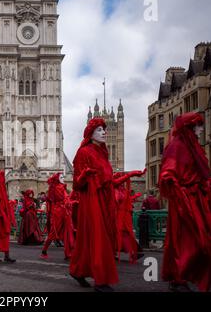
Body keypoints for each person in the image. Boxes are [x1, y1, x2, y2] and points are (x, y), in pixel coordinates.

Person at [159, 112, 211, 292]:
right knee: (189, 240)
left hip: (198, 200)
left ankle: (181, 276)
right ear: (190, 127)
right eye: (198, 125)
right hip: (184, 201)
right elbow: (167, 173)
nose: (201, 129)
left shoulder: (195, 147)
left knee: (201, 240)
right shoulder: (177, 146)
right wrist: (180, 192)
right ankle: (179, 276)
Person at [69, 118, 119, 292]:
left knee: (89, 238)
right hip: (92, 200)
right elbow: (76, 183)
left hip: (105, 199)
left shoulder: (102, 153)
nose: (104, 132)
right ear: (90, 134)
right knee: (99, 237)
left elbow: (108, 178)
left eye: (104, 130)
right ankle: (101, 279)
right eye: (99, 130)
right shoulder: (84, 152)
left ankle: (78, 270)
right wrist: (85, 176)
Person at [113, 170, 146, 263]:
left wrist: (135, 196)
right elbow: (117, 200)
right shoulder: (114, 188)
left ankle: (133, 251)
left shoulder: (121, 190)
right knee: (120, 233)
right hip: (117, 215)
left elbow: (125, 200)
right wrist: (130, 174)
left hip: (122, 216)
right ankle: (130, 251)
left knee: (125, 233)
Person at [40, 173, 75, 260]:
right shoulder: (57, 187)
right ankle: (44, 250)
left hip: (64, 210)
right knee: (54, 231)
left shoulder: (61, 187)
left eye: (63, 177)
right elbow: (63, 199)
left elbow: (66, 199)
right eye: (61, 177)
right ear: (57, 179)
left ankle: (69, 253)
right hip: (58, 211)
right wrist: (71, 202)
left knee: (67, 230)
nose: (63, 178)